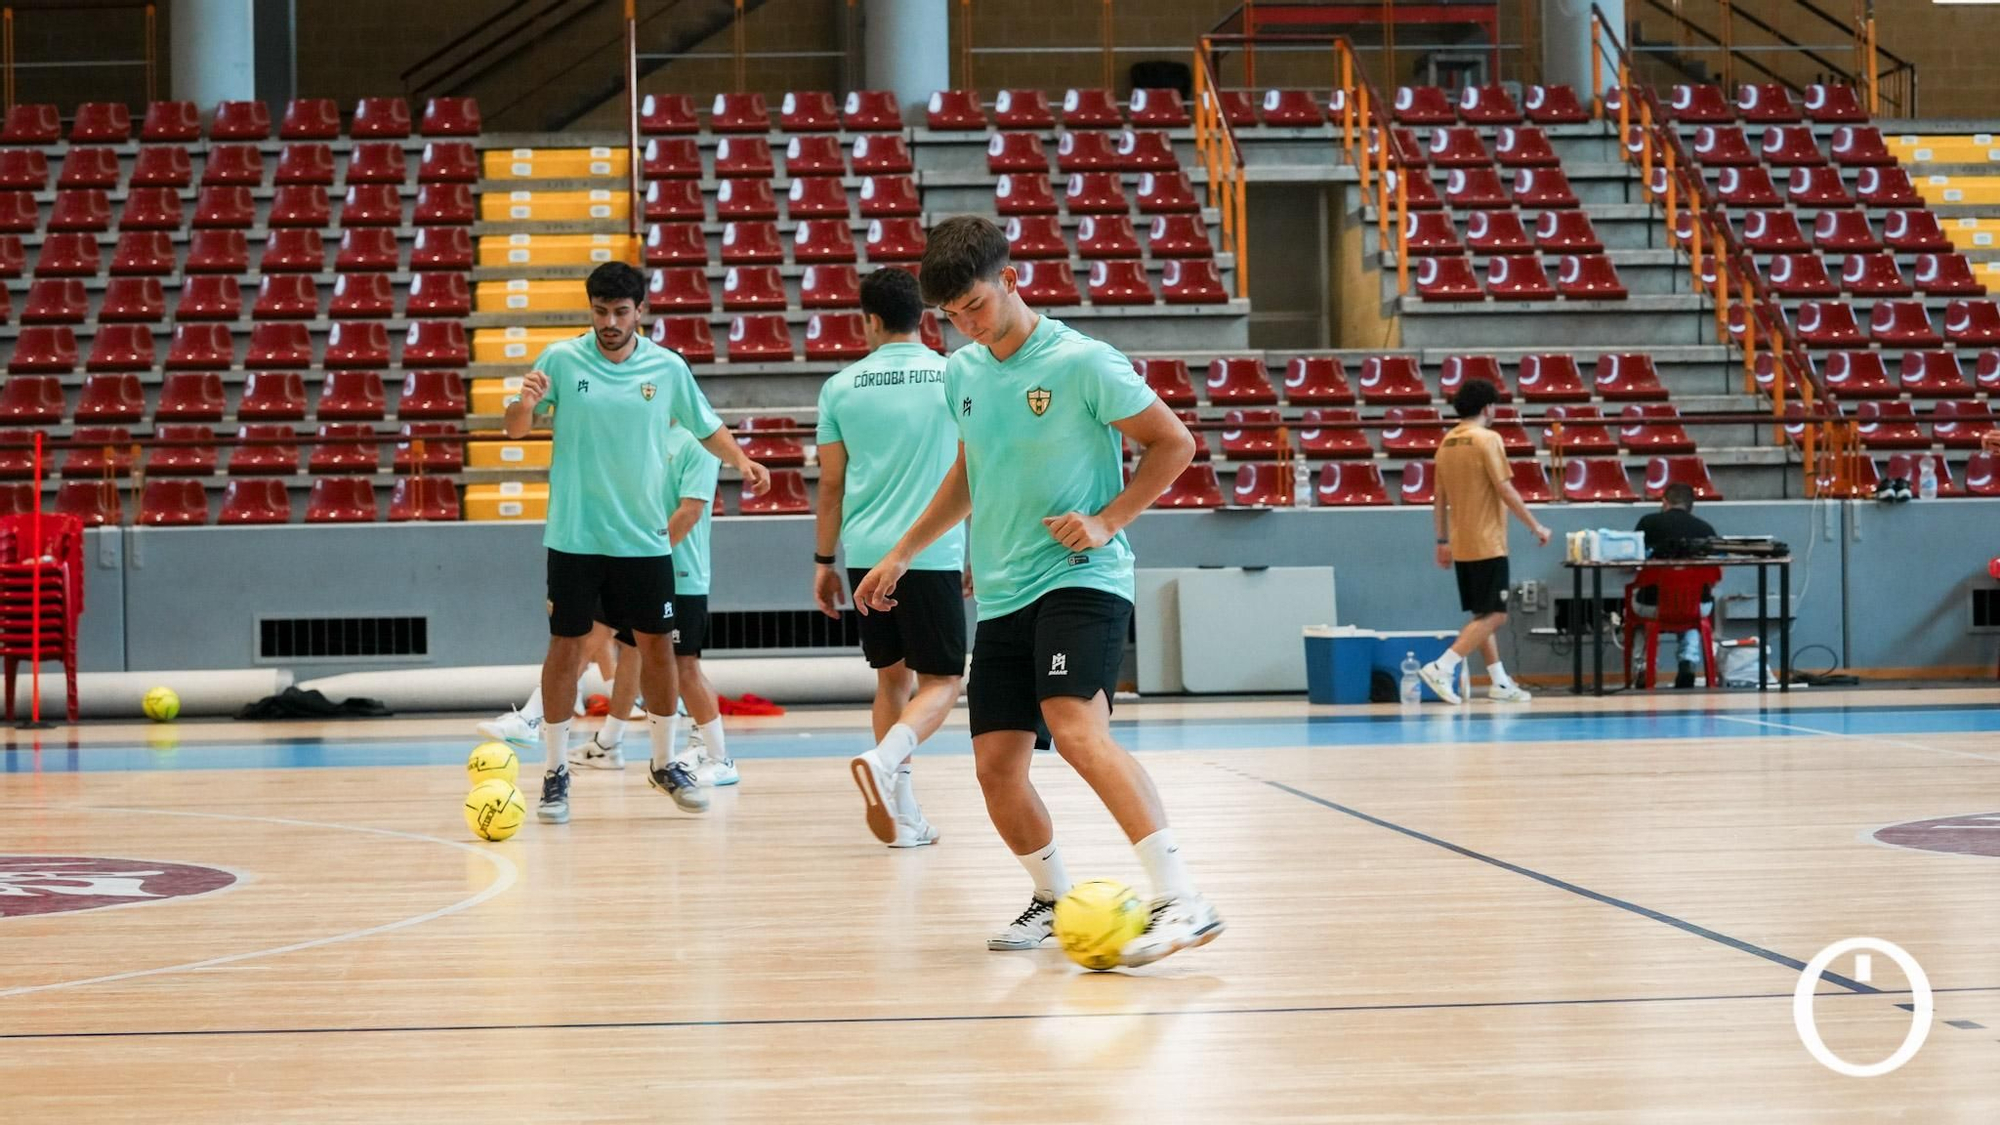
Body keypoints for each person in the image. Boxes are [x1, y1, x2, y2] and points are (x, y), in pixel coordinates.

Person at [855, 216, 1223, 968]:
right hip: (1003, 591)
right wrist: (902, 552)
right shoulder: (962, 372)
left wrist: (1108, 520)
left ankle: (1182, 896)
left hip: (1081, 578)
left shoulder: (1083, 361)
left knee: (1076, 727)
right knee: (996, 766)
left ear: (1011, 280)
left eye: (975, 306)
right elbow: (970, 473)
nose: (965, 324)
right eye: (950, 315)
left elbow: (1174, 443)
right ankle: (1053, 899)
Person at [502, 260, 769, 824]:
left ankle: (664, 763)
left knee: (658, 649)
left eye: (620, 312)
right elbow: (516, 428)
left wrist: (742, 461)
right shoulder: (560, 360)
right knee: (566, 648)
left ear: (640, 312)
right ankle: (554, 773)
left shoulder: (667, 367)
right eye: (600, 311)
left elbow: (706, 426)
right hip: (575, 536)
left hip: (644, 540)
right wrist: (523, 403)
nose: (609, 323)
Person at [813, 267, 966, 849]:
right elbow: (975, 467)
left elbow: (831, 485)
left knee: (891, 681)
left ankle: (904, 815)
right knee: (944, 679)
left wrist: (823, 561)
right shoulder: (953, 375)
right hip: (931, 550)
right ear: (923, 316)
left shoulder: (839, 387)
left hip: (867, 553)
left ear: (870, 320)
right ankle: (883, 761)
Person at [568, 422, 734, 784]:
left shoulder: (698, 443)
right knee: (629, 649)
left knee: (683, 666)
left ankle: (720, 757)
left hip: (680, 575)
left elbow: (690, 510)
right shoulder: (647, 434)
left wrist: (649, 557)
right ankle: (609, 743)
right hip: (641, 569)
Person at [1419, 379, 1551, 705]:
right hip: (1488, 542)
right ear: (1487, 407)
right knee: (1496, 615)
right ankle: (1442, 666)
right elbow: (1505, 489)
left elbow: (1439, 499)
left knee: (1482, 615)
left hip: (1462, 543)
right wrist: (1535, 525)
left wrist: (1441, 540)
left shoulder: (1446, 443)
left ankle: (1499, 682)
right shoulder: (1487, 439)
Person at [1633, 482, 1719, 689]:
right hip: (1697, 605)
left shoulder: (1647, 523)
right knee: (1691, 614)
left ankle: (1643, 667)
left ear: (1664, 502)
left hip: (1652, 605)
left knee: (1638, 617)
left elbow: (1634, 559)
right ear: (1691, 506)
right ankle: (1688, 661)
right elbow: (1717, 571)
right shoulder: (1706, 529)